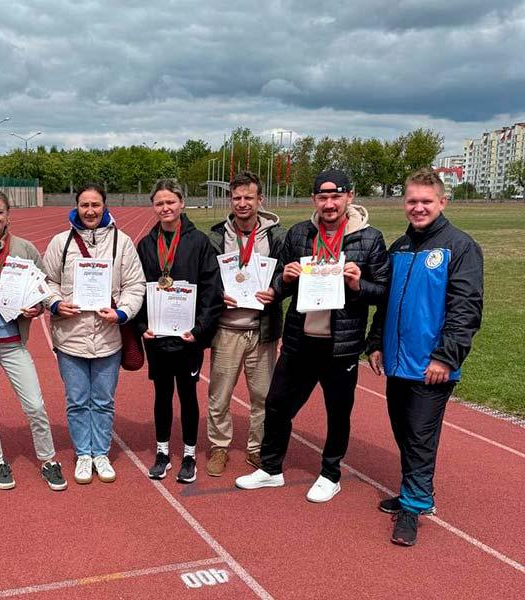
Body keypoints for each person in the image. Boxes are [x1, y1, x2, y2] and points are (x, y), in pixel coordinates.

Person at [235, 168, 389, 502]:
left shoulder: (369, 238)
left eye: (336, 196)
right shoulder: (300, 233)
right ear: (314, 199)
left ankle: (330, 474)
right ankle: (271, 468)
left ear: (349, 197)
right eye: (323, 197)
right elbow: (277, 281)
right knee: (277, 405)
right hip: (299, 340)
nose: (329, 204)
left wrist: (357, 285)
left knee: (337, 412)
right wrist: (285, 280)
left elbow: (382, 292)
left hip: (340, 345)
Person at [367, 168, 483, 546]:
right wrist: (376, 342)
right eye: (412, 201)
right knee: (404, 432)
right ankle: (411, 491)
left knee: (419, 438)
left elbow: (466, 309)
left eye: (426, 201)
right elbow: (385, 302)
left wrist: (446, 357)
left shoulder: (460, 247)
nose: (418, 207)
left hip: (431, 366)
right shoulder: (399, 247)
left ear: (442, 202)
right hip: (398, 363)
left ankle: (414, 506)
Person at [0, 189, 66, 491]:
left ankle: (48, 459)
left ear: (8, 215)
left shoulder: (25, 248)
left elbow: (43, 287)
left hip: (14, 342)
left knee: (35, 405)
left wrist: (37, 307)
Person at [42, 183, 145, 484]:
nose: (90, 211)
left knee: (103, 400)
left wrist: (122, 312)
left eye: (95, 205)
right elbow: (47, 281)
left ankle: (101, 452)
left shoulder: (122, 242)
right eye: (85, 205)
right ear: (76, 207)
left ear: (105, 206)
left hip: (108, 337)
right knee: (77, 401)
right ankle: (83, 455)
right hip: (70, 337)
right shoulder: (61, 242)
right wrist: (56, 303)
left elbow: (135, 285)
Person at [135, 179, 223, 484]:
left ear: (182, 203)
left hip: (188, 338)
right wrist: (142, 326)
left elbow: (212, 290)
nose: (165, 208)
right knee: (162, 394)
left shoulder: (199, 242)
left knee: (187, 394)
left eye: (170, 202)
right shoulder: (146, 244)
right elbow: (137, 289)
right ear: (153, 206)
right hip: (157, 336)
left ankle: (188, 454)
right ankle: (162, 452)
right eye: (159, 203)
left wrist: (199, 330)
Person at [206, 171, 285, 477]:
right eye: (237, 198)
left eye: (248, 197)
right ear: (231, 200)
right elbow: (207, 278)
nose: (242, 203)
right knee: (220, 395)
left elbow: (287, 276)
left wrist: (276, 289)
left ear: (259, 200)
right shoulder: (216, 236)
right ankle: (219, 446)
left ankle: (256, 447)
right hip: (226, 330)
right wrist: (217, 295)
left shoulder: (276, 237)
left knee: (262, 396)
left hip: (262, 330)